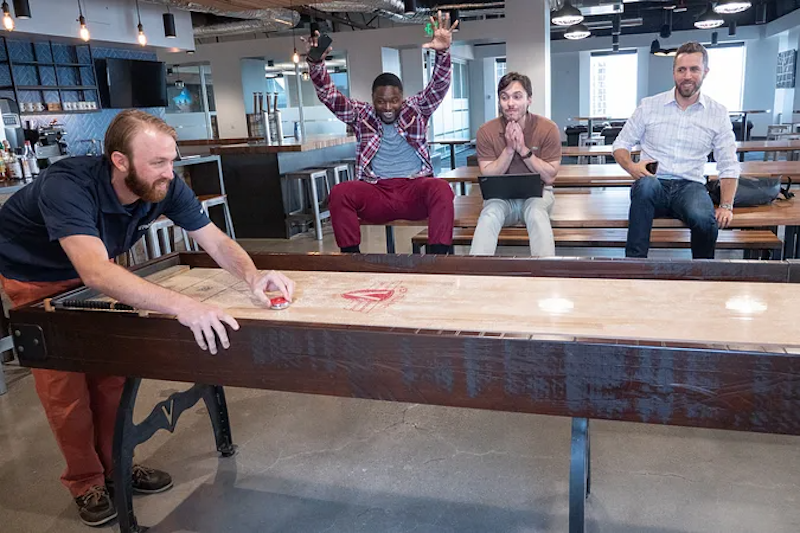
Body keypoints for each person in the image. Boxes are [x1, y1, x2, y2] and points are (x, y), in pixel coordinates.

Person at [0, 110, 295, 527]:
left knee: (114, 374)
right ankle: (86, 482)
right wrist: (184, 306)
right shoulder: (67, 186)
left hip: (97, 266)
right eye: (158, 162)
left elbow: (213, 239)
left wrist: (253, 274)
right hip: (37, 277)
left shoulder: (163, 185)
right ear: (120, 161)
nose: (169, 172)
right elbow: (95, 272)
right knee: (67, 390)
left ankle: (117, 467)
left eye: (171, 160)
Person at [305, 11, 458, 254]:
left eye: (394, 100)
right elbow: (329, 96)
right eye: (381, 101)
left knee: (441, 189)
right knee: (340, 193)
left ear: (402, 97)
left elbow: (439, 86)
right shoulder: (361, 114)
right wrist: (316, 65)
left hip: (413, 189)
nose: (388, 107)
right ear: (373, 99)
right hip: (377, 191)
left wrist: (443, 52)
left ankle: (437, 256)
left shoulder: (417, 109)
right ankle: (351, 258)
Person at [612, 41, 740, 259]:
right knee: (644, 188)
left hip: (690, 186)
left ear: (705, 72)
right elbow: (620, 144)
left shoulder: (717, 113)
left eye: (694, 69)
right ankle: (633, 266)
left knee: (704, 218)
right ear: (673, 72)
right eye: (681, 69)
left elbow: (728, 163)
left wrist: (727, 205)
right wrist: (632, 167)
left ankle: (702, 274)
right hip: (654, 182)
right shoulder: (649, 105)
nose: (687, 76)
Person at [470, 72, 562, 256]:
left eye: (517, 97)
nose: (510, 103)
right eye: (504, 97)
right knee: (489, 214)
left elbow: (550, 176)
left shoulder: (548, 128)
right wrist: (510, 150)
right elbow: (488, 175)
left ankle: (546, 273)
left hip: (539, 195)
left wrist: (523, 150)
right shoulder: (486, 131)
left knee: (536, 213)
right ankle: (477, 274)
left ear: (529, 99)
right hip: (501, 198)